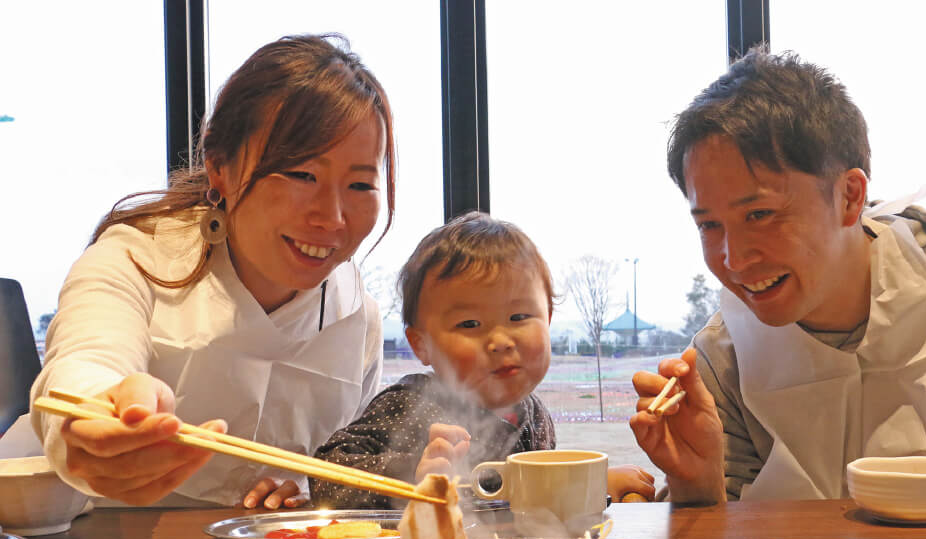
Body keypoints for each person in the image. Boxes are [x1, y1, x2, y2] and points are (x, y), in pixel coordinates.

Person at [29, 34, 396, 509]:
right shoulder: (136, 259)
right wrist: (96, 418)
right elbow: (84, 363)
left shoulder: (356, 315)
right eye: (303, 174)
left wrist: (311, 488)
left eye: (360, 184)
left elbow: (342, 459)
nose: (333, 217)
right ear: (219, 166)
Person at [630, 48, 926, 504]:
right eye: (708, 225)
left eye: (760, 214)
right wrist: (695, 481)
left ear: (849, 196)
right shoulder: (719, 361)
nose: (735, 258)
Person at [310, 211, 655, 508]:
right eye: (470, 324)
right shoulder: (408, 404)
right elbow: (326, 474)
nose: (501, 341)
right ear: (420, 344)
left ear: (548, 318)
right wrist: (413, 474)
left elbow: (523, 501)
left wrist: (590, 484)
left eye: (519, 317)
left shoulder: (535, 417)